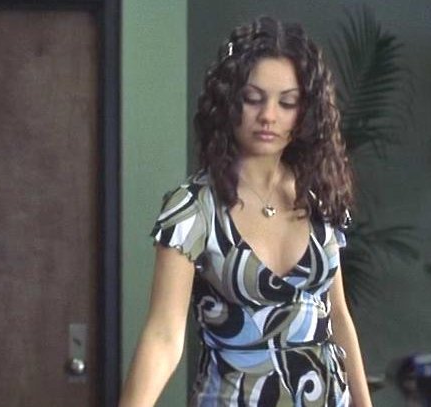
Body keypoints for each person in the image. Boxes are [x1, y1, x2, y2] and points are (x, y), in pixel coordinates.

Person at [119, 16, 373, 407]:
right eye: (253, 98)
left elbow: (337, 316)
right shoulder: (193, 209)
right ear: (228, 101)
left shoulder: (320, 197)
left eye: (286, 102)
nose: (268, 115)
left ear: (305, 111)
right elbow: (164, 336)